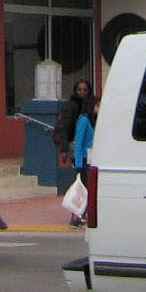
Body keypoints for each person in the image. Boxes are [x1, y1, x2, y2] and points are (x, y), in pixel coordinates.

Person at [68, 89, 97, 226]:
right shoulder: (84, 120)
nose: (99, 109)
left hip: (91, 159)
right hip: (83, 160)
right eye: (97, 106)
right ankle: (76, 217)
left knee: (87, 189)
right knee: (81, 189)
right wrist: (78, 164)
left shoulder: (93, 120)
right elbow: (79, 143)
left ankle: (82, 214)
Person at [53, 79, 95, 173]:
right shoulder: (71, 106)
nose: (82, 92)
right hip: (75, 144)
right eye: (79, 90)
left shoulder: (92, 105)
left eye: (85, 90)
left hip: (88, 146)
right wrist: (64, 149)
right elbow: (63, 127)